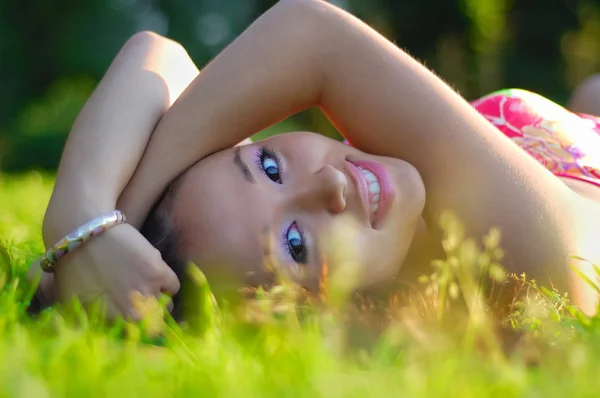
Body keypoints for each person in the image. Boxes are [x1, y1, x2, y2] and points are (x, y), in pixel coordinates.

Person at [28, 0, 600, 319]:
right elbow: (310, 34)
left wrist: (89, 223)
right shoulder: (535, 257)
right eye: (295, 245)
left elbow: (162, 60)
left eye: (270, 166)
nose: (328, 184)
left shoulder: (403, 178)